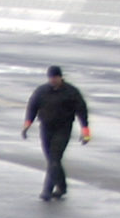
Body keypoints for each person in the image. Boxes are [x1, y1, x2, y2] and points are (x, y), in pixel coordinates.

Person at [22, 65, 90, 202]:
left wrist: (85, 131)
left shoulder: (71, 92)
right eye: (50, 78)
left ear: (60, 77)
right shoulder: (42, 91)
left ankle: (47, 191)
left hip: (63, 129)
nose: (53, 80)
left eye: (55, 77)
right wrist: (27, 125)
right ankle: (62, 186)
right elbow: (32, 107)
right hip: (46, 128)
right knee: (53, 160)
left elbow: (82, 110)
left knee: (54, 158)